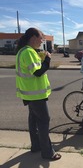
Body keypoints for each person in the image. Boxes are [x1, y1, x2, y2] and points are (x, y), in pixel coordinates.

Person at [15, 28, 61, 160]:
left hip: (29, 94)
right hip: (36, 95)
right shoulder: (29, 52)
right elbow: (38, 72)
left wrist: (40, 58)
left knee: (33, 120)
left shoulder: (22, 51)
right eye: (41, 38)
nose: (42, 41)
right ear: (33, 37)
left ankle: (36, 145)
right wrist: (47, 59)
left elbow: (31, 70)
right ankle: (48, 152)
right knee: (43, 122)